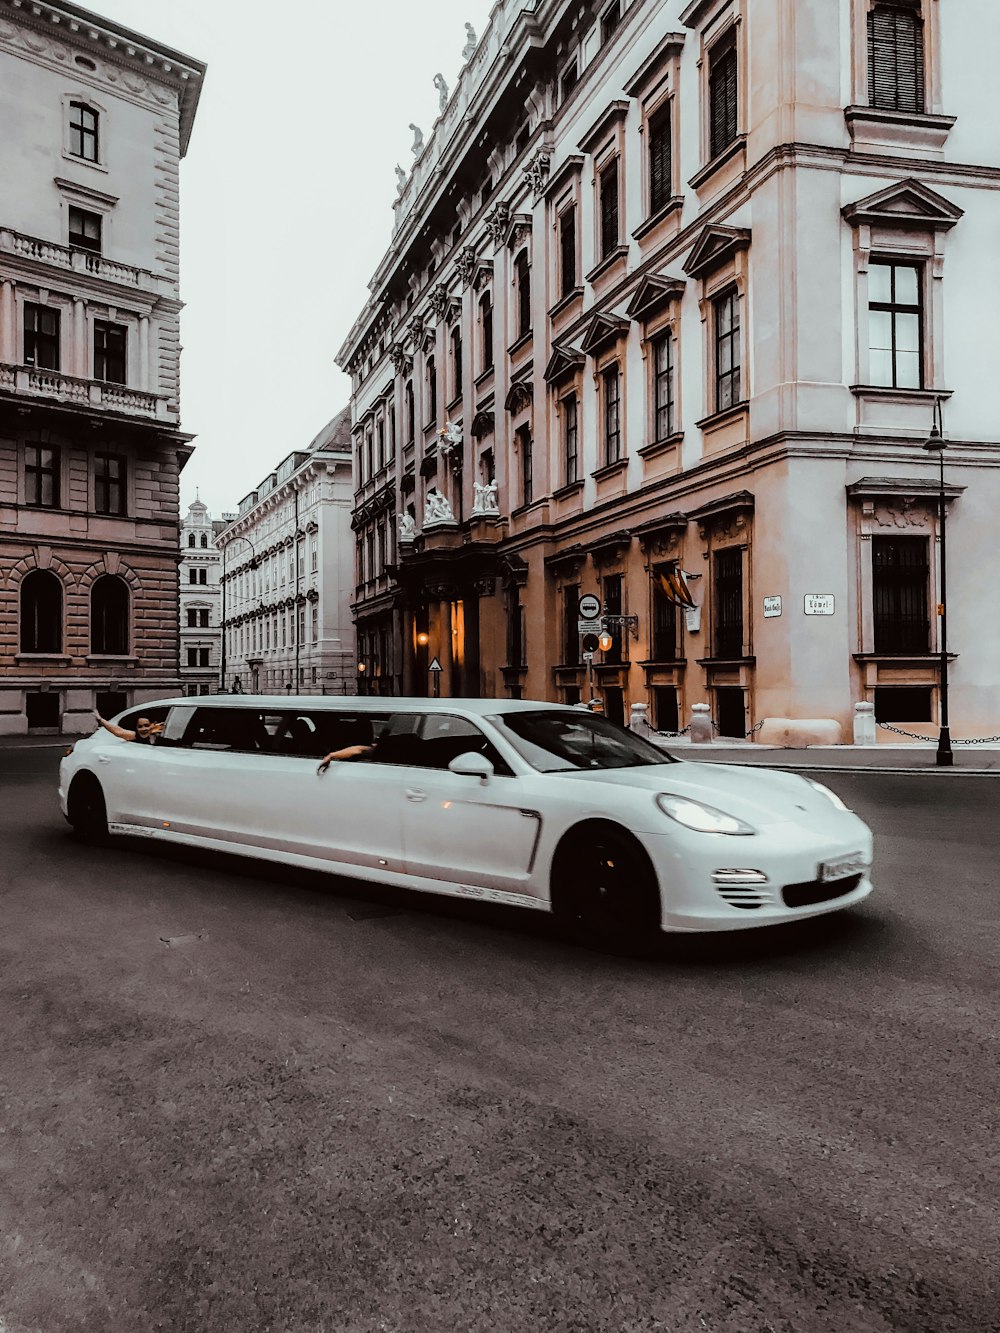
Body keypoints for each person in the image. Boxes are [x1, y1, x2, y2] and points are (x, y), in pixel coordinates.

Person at [93, 709, 163, 743]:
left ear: (152, 725)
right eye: (140, 726)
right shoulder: (135, 736)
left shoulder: (161, 735)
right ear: (136, 728)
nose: (143, 729)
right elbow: (118, 731)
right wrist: (100, 720)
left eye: (146, 725)